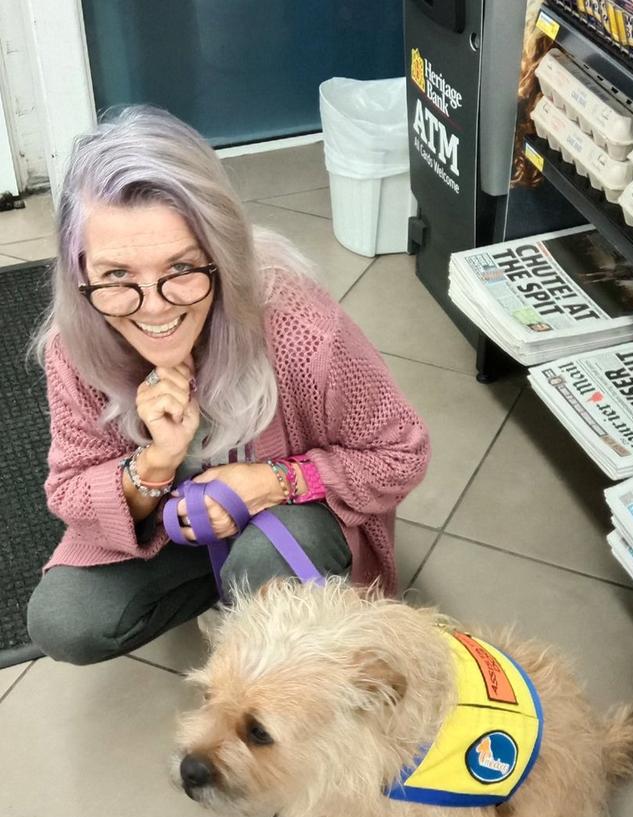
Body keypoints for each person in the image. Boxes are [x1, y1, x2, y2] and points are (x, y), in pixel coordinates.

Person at [26, 106, 430, 666]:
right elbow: (70, 492)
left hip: (293, 517)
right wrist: (155, 464)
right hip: (178, 533)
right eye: (118, 277)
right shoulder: (72, 348)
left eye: (183, 269)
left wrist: (272, 482)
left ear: (222, 254)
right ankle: (231, 586)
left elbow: (399, 454)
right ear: (80, 271)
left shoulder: (296, 324)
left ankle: (267, 589)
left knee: (268, 569)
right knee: (65, 620)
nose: (155, 309)